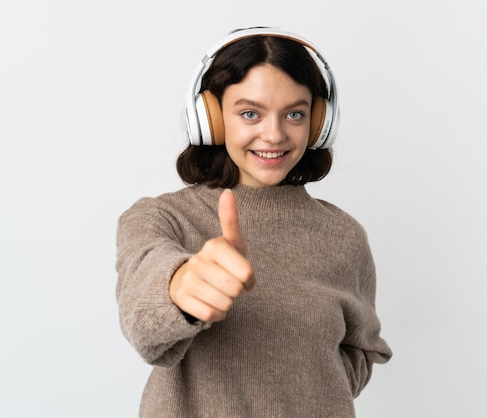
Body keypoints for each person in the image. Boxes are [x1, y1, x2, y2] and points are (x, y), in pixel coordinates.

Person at [115, 27, 392, 418]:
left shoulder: (344, 235)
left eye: (295, 114)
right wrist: (183, 287)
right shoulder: (160, 218)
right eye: (250, 113)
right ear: (211, 118)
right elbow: (144, 329)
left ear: (317, 124)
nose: (274, 134)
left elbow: (362, 349)